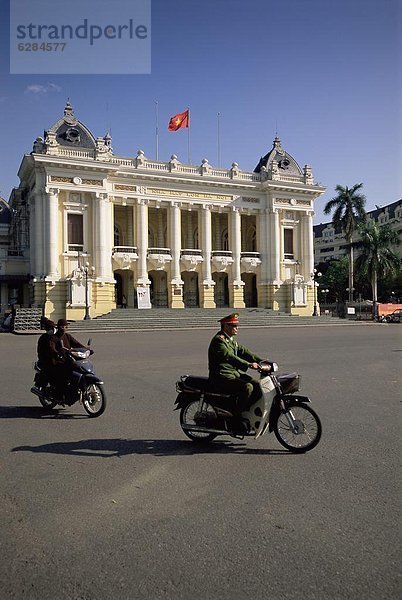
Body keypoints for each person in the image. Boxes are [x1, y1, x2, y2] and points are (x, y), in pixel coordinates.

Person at [208, 313, 268, 424]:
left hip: (233, 374)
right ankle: (235, 416)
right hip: (221, 376)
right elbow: (229, 357)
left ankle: (243, 409)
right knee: (247, 387)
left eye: (237, 325)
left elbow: (245, 352)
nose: (237, 328)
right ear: (226, 326)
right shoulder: (218, 341)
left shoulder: (231, 340)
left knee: (258, 386)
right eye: (234, 326)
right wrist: (248, 365)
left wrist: (262, 361)